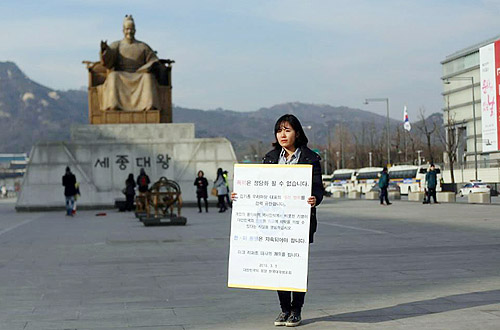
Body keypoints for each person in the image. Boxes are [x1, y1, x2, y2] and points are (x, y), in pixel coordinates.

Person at [234, 114, 323, 327]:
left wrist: (314, 199)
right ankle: (284, 309)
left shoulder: (310, 158)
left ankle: (296, 310)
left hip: (300, 221)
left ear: (297, 133)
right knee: (279, 266)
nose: (282, 135)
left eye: (287, 130)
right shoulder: (271, 158)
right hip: (275, 221)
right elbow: (259, 189)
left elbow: (318, 188)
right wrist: (241, 196)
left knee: (297, 266)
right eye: (279, 130)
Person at [99, 15, 165, 111]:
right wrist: (105, 51)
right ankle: (114, 105)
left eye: (131, 29)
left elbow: (153, 60)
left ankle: (149, 106)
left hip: (139, 74)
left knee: (148, 78)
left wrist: (148, 66)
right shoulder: (117, 45)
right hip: (121, 74)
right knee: (113, 76)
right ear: (123, 30)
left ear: (135, 30)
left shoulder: (143, 46)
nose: (129, 31)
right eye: (127, 29)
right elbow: (108, 60)